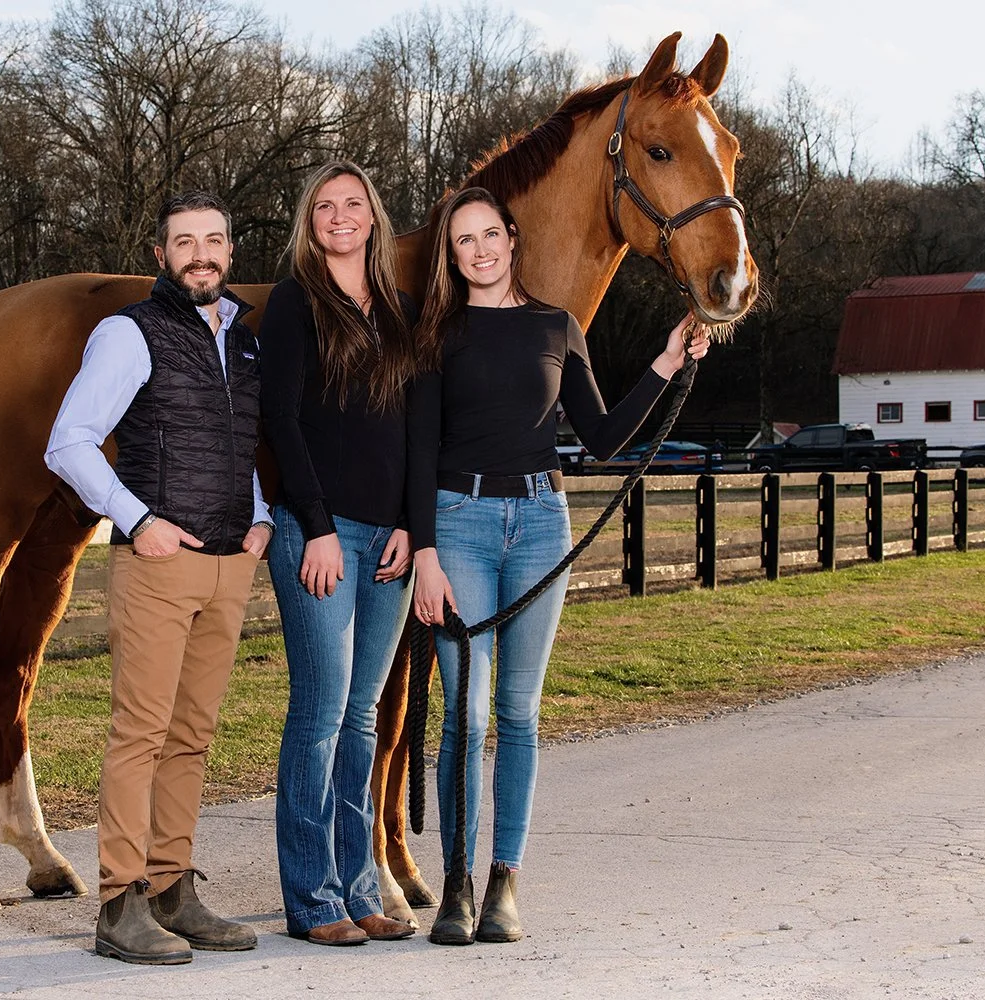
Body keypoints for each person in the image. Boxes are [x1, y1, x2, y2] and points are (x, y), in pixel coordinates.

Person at [407, 186, 709, 946]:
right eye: (462, 241)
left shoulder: (556, 326)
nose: (478, 250)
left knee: (518, 714)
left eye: (488, 235)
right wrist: (425, 554)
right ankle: (458, 882)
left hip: (541, 522)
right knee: (465, 716)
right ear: (452, 255)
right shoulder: (436, 333)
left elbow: (603, 437)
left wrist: (666, 364)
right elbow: (416, 454)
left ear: (512, 239)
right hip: (458, 523)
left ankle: (506, 878)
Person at [45, 191, 273, 966]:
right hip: (160, 563)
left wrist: (262, 514)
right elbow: (68, 442)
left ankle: (174, 888)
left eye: (214, 240)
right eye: (185, 242)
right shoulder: (129, 333)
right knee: (140, 733)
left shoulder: (244, 338)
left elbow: (239, 442)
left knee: (192, 737)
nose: (201, 254)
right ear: (160, 255)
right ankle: (119, 900)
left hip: (229, 563)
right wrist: (137, 520)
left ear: (231, 252)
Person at [260, 161, 422, 947]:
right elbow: (282, 422)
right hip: (317, 535)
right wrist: (316, 524)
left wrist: (407, 526)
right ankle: (312, 898)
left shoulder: (400, 309)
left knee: (362, 721)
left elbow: (413, 432)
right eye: (325, 206)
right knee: (320, 715)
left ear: (374, 216)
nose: (340, 216)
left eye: (354, 203)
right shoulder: (295, 302)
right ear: (309, 221)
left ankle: (360, 889)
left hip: (386, 541)